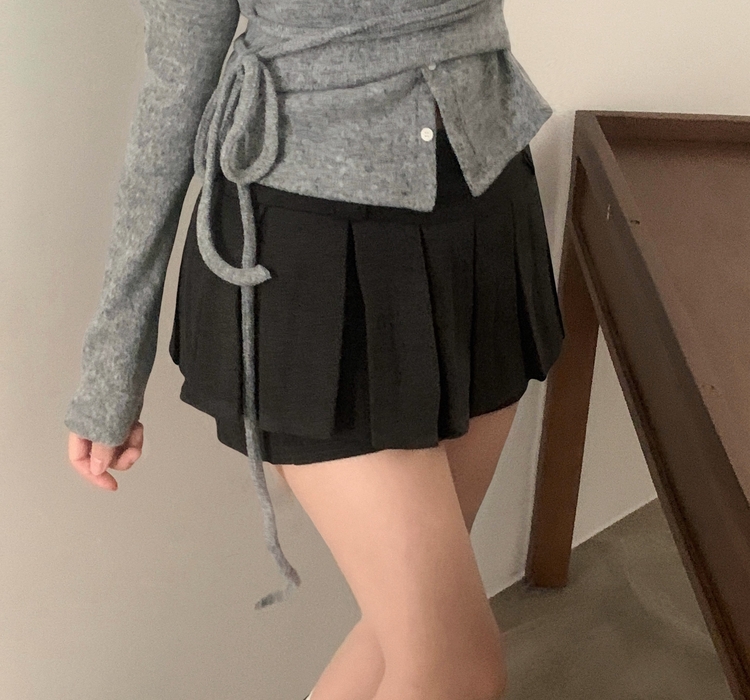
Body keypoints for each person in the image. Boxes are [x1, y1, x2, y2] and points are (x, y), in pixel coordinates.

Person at [65, 1, 566, 698]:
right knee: (457, 666)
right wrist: (114, 361)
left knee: (410, 638)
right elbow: (175, 90)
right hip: (314, 253)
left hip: (484, 209)